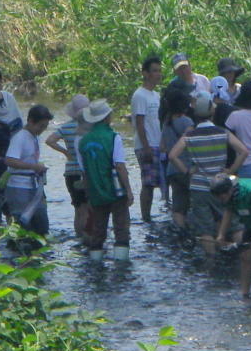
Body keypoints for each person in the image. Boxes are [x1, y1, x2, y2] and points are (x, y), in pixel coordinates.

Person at [168, 94, 249, 238]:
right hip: (221, 184)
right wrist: (231, 170)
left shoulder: (190, 135)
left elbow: (172, 156)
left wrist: (187, 171)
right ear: (212, 113)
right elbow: (243, 151)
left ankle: (210, 258)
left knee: (205, 229)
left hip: (199, 187)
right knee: (233, 225)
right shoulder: (223, 132)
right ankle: (239, 251)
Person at [77, 99, 134, 259]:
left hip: (96, 192)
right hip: (115, 190)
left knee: (98, 229)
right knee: (121, 228)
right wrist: (128, 190)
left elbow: (84, 172)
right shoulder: (113, 137)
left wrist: (89, 194)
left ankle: (96, 263)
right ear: (106, 117)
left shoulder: (83, 142)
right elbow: (120, 166)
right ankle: (121, 267)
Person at [3, 103, 53, 238]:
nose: (42, 130)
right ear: (30, 121)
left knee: (42, 225)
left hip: (34, 185)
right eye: (40, 126)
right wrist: (33, 167)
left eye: (45, 127)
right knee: (22, 226)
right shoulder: (20, 137)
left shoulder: (34, 136)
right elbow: (9, 160)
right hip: (19, 187)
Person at [47, 95, 91, 241]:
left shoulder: (66, 127)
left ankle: (78, 238)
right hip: (86, 172)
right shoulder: (90, 128)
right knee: (87, 209)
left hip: (70, 173)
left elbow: (50, 140)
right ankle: (87, 238)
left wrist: (66, 152)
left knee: (78, 209)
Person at [130, 56, 164, 222]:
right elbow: (139, 122)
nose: (158, 74)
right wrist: (146, 147)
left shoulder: (155, 95)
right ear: (145, 73)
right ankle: (146, 217)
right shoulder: (140, 95)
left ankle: (152, 216)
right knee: (148, 183)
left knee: (159, 182)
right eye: (154, 71)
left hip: (158, 143)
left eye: (159, 70)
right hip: (146, 145)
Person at [158, 88, 194, 223]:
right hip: (186, 168)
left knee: (178, 206)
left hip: (172, 170)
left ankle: (179, 232)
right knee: (193, 202)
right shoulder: (187, 122)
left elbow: (161, 147)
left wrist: (172, 147)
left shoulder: (166, 122)